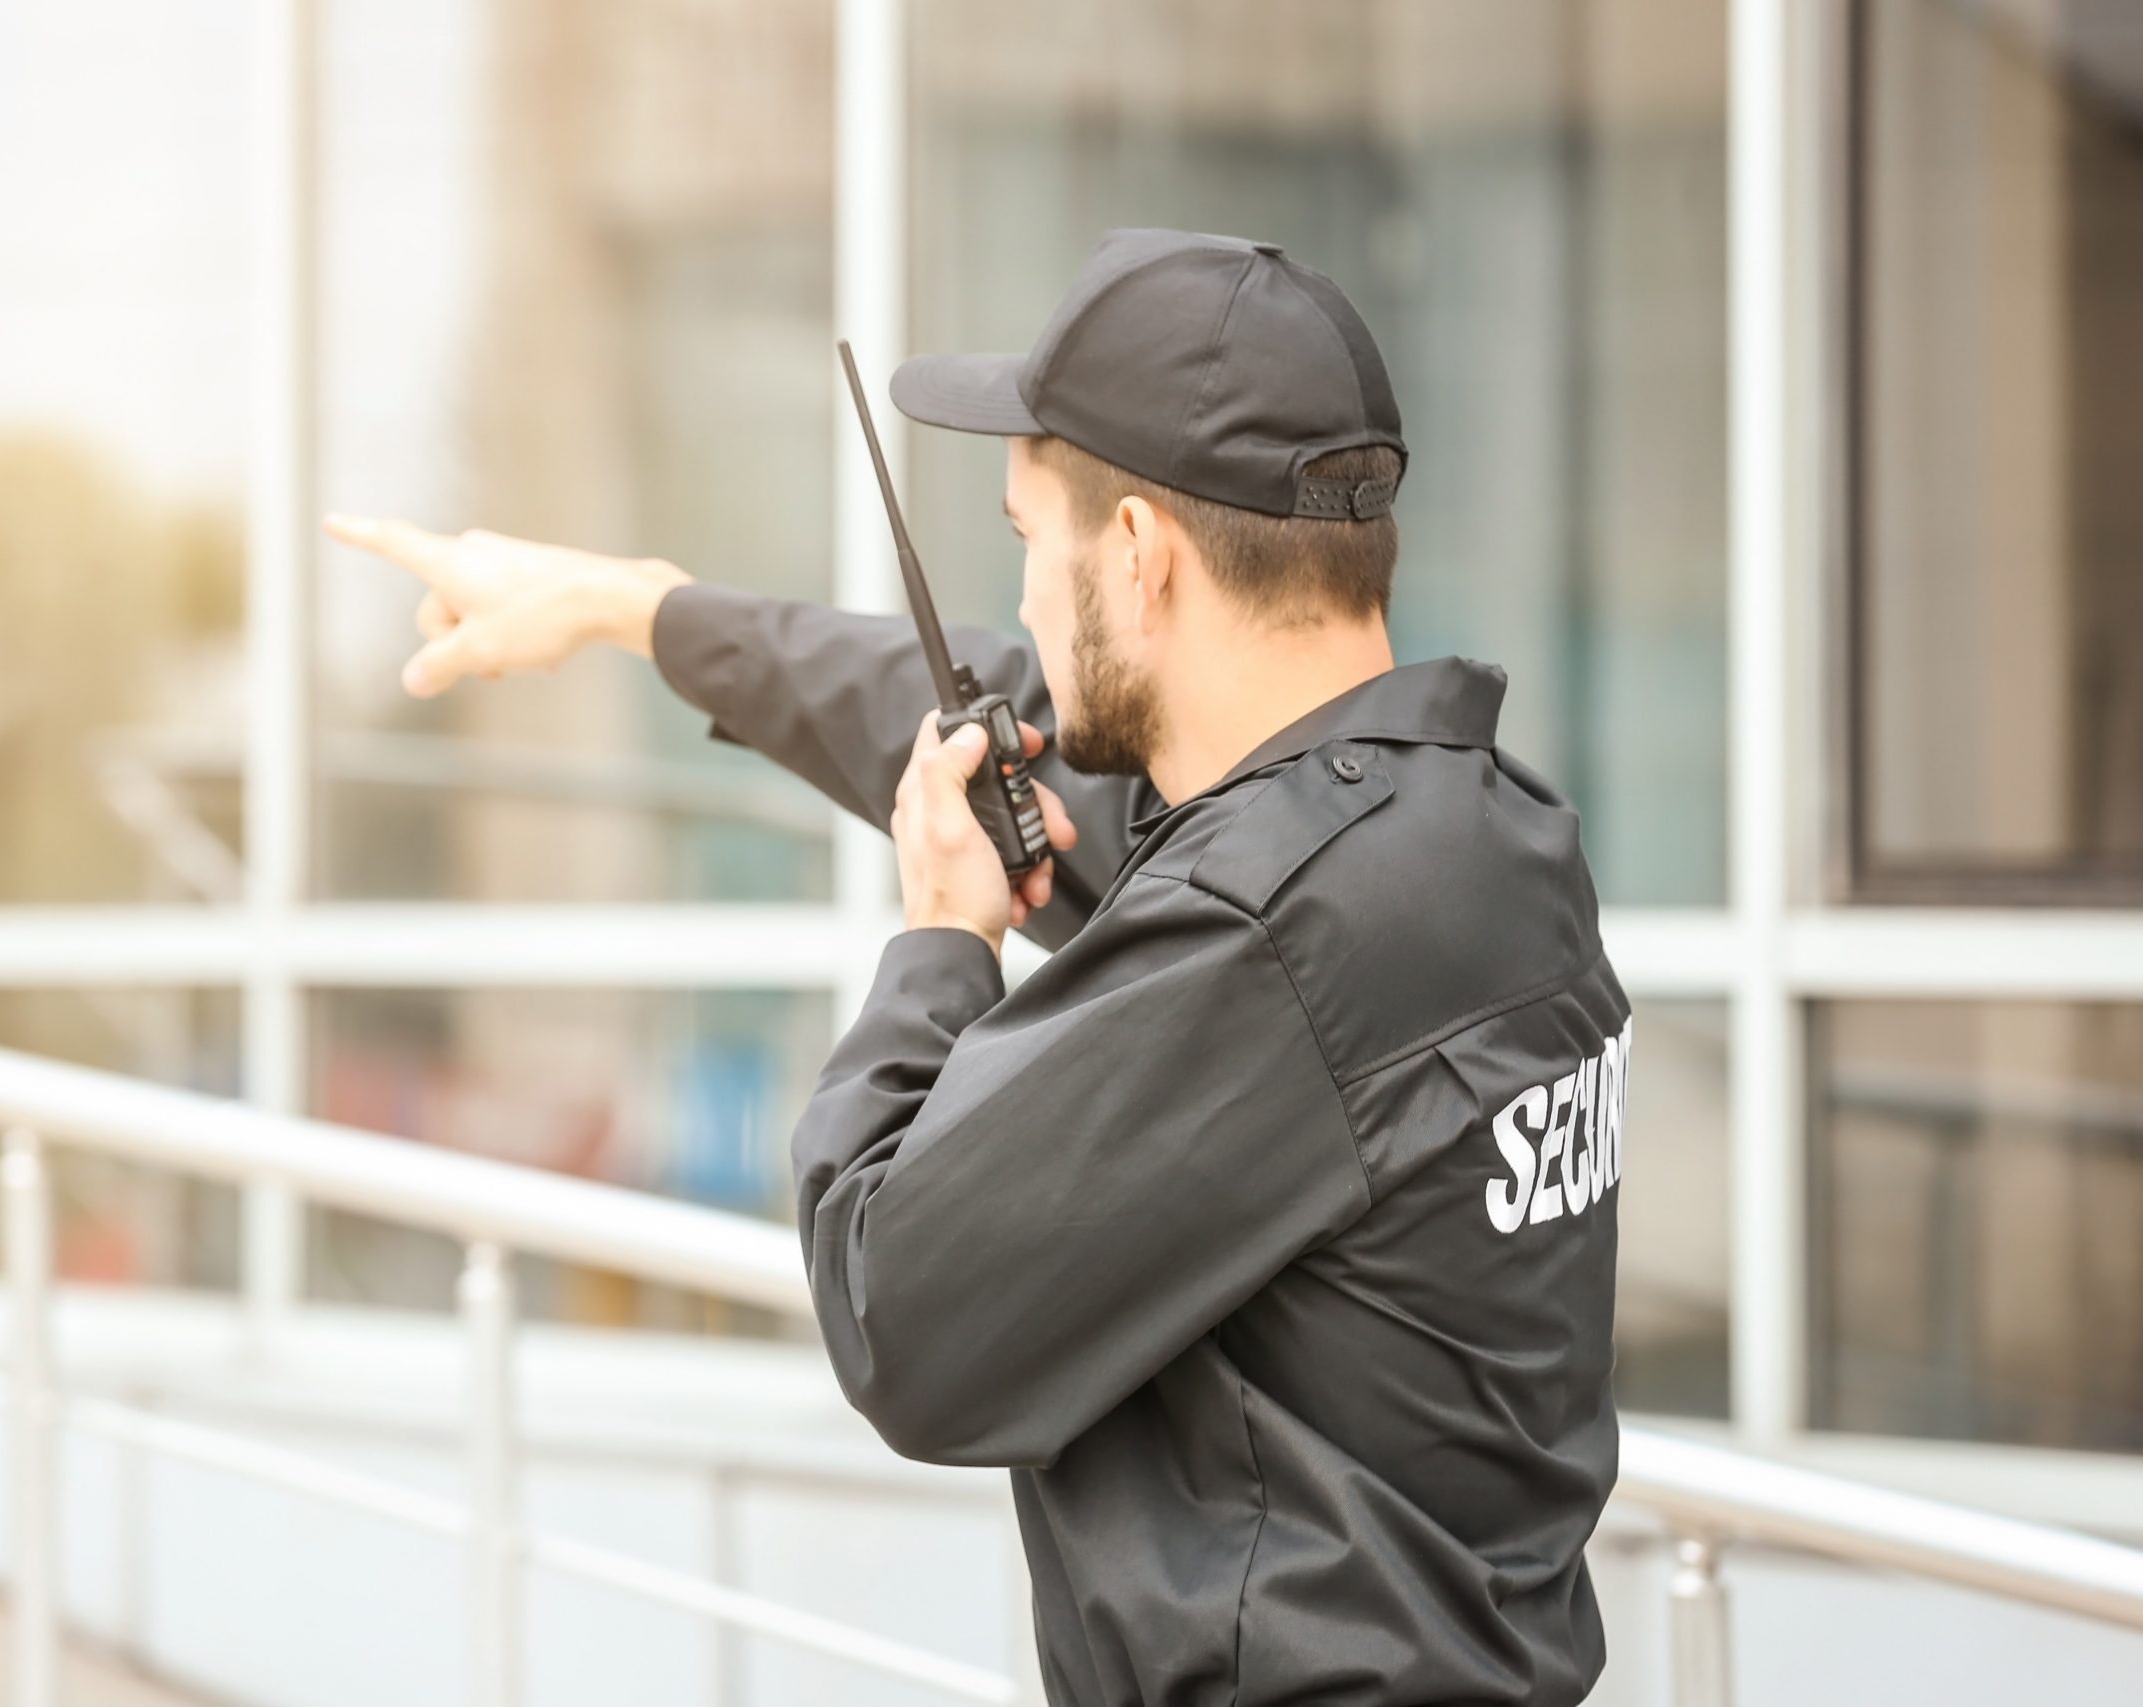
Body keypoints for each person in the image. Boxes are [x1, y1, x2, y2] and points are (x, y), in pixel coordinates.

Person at [325, 227, 1627, 1707]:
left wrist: (943, 939)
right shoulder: (1480, 837)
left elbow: (902, 1313)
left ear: (1137, 554)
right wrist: (641, 609)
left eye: (1026, 543)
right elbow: (982, 720)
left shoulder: (1271, 938)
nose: (1016, 606)